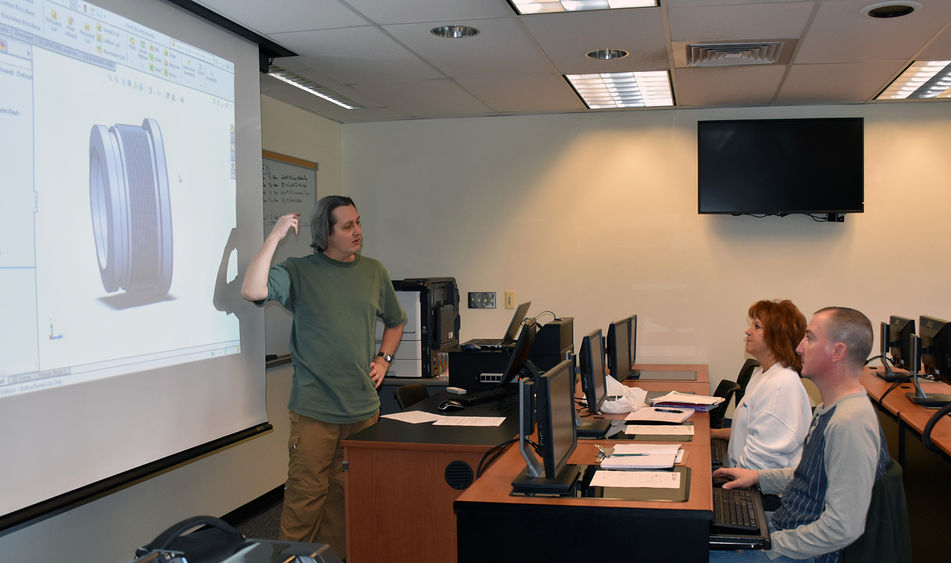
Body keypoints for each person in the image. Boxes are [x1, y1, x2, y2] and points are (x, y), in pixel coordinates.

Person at [241, 195, 406, 557]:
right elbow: (253, 289)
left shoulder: (373, 271)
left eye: (358, 222)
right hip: (315, 412)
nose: (357, 231)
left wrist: (384, 359)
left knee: (347, 501)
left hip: (362, 409)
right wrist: (275, 236)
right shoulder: (300, 271)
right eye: (347, 226)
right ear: (325, 233)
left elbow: (396, 321)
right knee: (305, 501)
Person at [711, 307, 890, 563]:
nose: (799, 348)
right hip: (788, 525)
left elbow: (842, 528)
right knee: (691, 533)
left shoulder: (851, 424)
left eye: (810, 338)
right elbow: (812, 475)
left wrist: (766, 545)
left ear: (838, 352)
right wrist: (757, 477)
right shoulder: (831, 408)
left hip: (805, 552)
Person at [711, 299, 812, 470]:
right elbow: (751, 432)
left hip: (764, 491)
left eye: (757, 326)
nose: (748, 331)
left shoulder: (781, 385)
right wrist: (713, 433)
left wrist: (727, 479)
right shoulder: (764, 374)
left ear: (778, 337)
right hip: (746, 475)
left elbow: (761, 464)